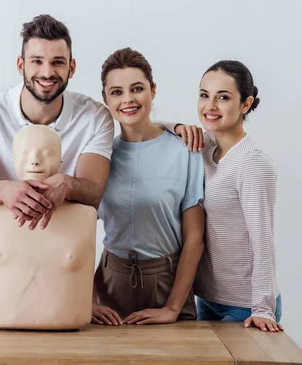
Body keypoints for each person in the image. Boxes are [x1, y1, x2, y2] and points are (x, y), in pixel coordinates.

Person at [0, 14, 114, 317]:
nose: (47, 71)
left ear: (72, 67)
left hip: (64, 263)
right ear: (21, 65)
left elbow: (94, 193)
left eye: (57, 62)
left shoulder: (95, 117)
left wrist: (68, 183)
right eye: (37, 61)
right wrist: (4, 189)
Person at [92, 48, 205, 326]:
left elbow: (195, 238)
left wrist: (172, 307)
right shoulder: (99, 155)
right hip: (108, 286)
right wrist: (86, 298)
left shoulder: (185, 150)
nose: (128, 99)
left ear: (153, 91)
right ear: (105, 99)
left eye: (137, 88)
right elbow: (75, 231)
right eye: (116, 92)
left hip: (167, 284)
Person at [171, 60, 282, 332]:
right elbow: (153, 127)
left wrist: (263, 309)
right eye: (204, 95)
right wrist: (177, 127)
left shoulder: (253, 164)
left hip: (247, 306)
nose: (210, 106)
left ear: (246, 104)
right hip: (207, 299)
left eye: (223, 97)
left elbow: (263, 241)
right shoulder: (204, 146)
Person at [0, 125, 97, 329]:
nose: (35, 160)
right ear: (13, 159)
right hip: (1, 337)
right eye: (25, 153)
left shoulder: (85, 215)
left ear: (61, 160)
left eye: (47, 153)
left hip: (70, 334)